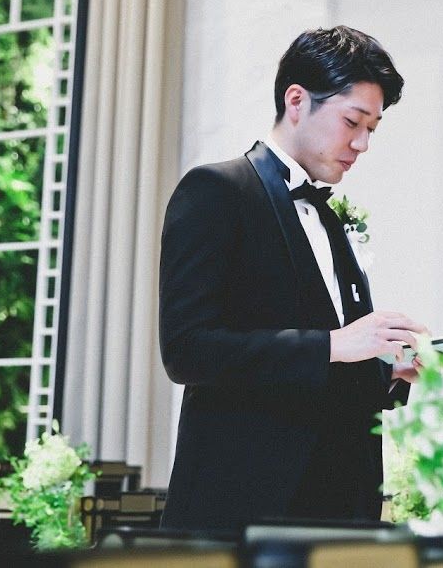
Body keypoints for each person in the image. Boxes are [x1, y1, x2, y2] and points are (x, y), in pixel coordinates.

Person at [158, 26, 428, 531]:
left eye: (373, 128)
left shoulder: (329, 218)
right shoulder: (216, 190)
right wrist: (334, 344)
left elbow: (323, 372)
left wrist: (389, 370)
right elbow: (187, 350)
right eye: (353, 121)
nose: (362, 144)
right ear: (297, 100)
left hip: (337, 512)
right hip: (242, 509)